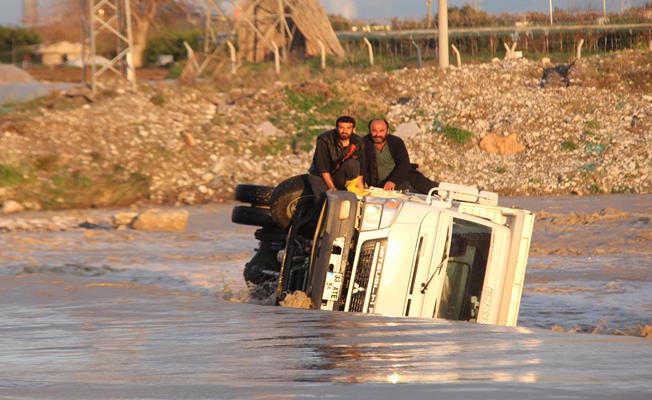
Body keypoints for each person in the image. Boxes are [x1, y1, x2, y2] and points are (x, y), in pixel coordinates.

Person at [362, 118, 438, 194]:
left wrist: (393, 180)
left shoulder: (396, 142)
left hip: (401, 176)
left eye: (381, 131)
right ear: (369, 131)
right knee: (410, 192)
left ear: (387, 131)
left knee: (428, 186)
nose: (377, 134)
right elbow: (360, 168)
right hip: (381, 185)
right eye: (374, 131)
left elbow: (404, 163)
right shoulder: (363, 144)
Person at [308, 116, 367, 203]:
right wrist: (332, 189)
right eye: (341, 128)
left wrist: (361, 190)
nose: (344, 131)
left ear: (353, 129)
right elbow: (323, 168)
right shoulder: (324, 140)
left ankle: (350, 188)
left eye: (348, 128)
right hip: (320, 175)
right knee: (323, 199)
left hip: (339, 174)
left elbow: (360, 169)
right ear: (336, 128)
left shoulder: (358, 141)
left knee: (353, 164)